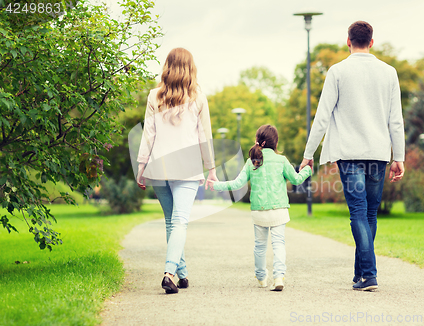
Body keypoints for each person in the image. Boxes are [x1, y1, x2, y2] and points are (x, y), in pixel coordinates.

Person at [300, 21, 405, 291]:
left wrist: (308, 154)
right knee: (370, 213)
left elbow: (322, 117)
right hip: (379, 154)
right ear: (372, 41)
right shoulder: (389, 72)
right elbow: (396, 120)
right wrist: (399, 157)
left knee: (359, 211)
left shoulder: (337, 72)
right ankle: (361, 274)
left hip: (349, 154)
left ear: (348, 41)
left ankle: (368, 274)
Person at [136, 48, 218, 294]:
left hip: (159, 167)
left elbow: (148, 135)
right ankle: (169, 273)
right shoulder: (198, 98)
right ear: (191, 68)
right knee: (180, 221)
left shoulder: (154, 96)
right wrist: (211, 168)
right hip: (187, 168)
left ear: (167, 67)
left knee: (172, 222)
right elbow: (205, 136)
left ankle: (181, 274)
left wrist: (141, 167)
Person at [207, 125, 311, 291]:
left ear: (258, 141)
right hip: (279, 210)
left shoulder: (252, 162)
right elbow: (297, 179)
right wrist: (307, 170)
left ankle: (262, 277)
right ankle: (278, 277)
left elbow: (237, 184)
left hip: (259, 212)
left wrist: (216, 185)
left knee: (260, 246)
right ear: (275, 143)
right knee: (279, 244)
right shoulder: (282, 161)